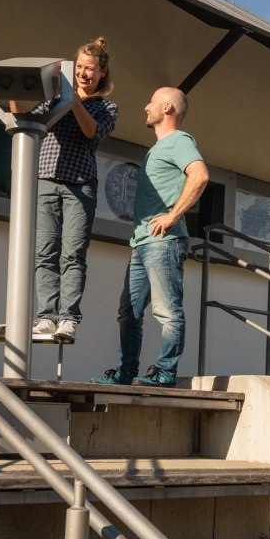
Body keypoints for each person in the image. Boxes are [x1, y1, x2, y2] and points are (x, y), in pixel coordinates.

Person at [92, 86, 208, 388]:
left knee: (167, 310)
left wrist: (173, 215)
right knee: (128, 312)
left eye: (152, 102)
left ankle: (166, 371)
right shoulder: (156, 149)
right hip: (142, 243)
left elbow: (200, 175)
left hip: (164, 242)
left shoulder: (179, 141)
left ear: (168, 107)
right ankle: (127, 372)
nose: (146, 107)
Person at [32, 37, 119, 344]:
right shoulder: (55, 97)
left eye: (90, 69)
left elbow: (91, 132)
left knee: (73, 254)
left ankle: (68, 317)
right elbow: (30, 117)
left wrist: (74, 98)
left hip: (80, 184)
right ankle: (46, 316)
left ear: (102, 73)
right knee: (45, 252)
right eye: (79, 67)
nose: (83, 74)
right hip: (46, 178)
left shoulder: (106, 106)